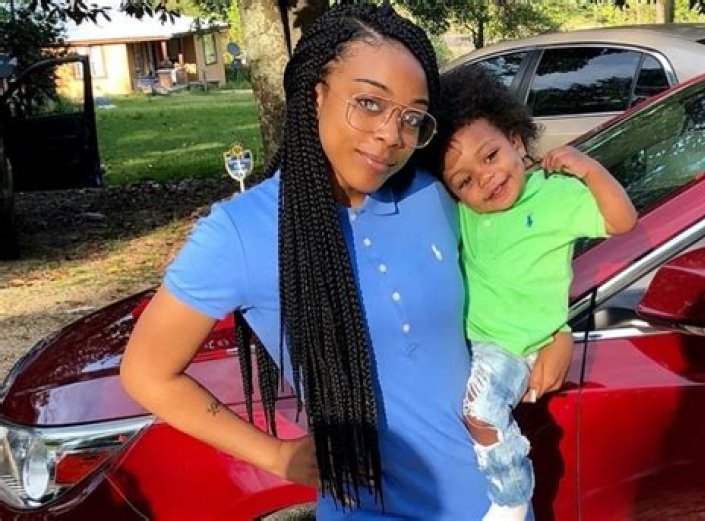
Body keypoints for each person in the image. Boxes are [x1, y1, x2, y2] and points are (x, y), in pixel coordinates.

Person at [120, 4, 567, 519]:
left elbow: (511, 271)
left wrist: (553, 331)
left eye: (411, 118)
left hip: (498, 502)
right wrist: (278, 456)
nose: (391, 135)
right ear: (316, 95)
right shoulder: (242, 232)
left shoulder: (430, 194)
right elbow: (147, 373)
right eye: (370, 103)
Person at [428, 66, 638, 520]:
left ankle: (512, 495)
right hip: (470, 345)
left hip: (516, 346)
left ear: (515, 139)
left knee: (480, 412)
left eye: (490, 156)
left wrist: (589, 169)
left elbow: (622, 221)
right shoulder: (465, 215)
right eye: (464, 181)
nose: (485, 178)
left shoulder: (553, 195)